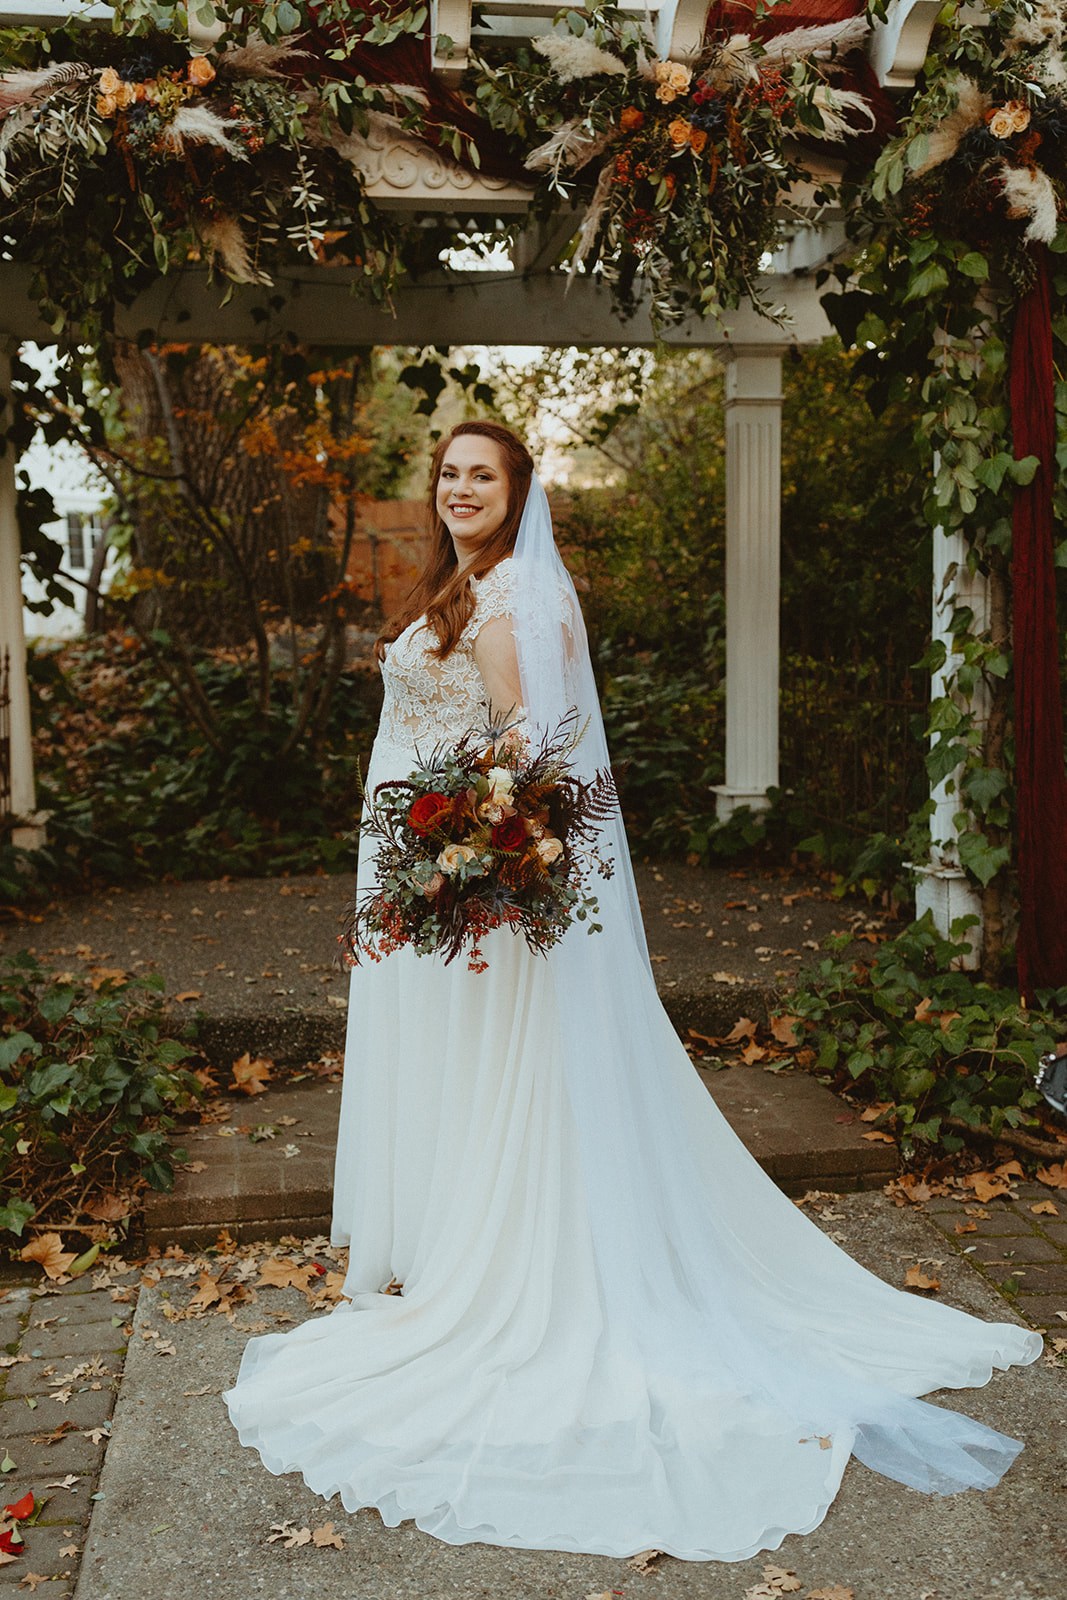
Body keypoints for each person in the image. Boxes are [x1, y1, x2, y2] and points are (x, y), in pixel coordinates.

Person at [225, 421, 1042, 1562]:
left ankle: (498, 1268)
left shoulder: (511, 600)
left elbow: (529, 749)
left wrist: (470, 858)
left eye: (481, 474)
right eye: (448, 472)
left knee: (488, 1063)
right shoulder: (465, 583)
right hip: (421, 867)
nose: (459, 487)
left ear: (517, 490)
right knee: (455, 1063)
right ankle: (456, 1244)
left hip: (464, 878)